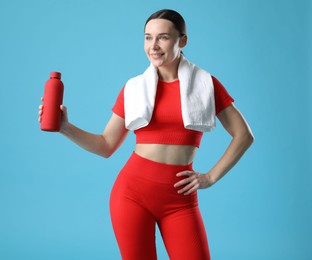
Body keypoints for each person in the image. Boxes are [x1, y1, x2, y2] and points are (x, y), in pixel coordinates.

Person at [39, 9, 254, 260]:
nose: (154, 46)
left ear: (182, 41)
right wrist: (65, 127)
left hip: (180, 199)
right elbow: (106, 145)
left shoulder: (206, 84)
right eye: (147, 37)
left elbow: (243, 135)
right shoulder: (133, 88)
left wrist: (210, 177)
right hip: (132, 193)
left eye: (163, 37)